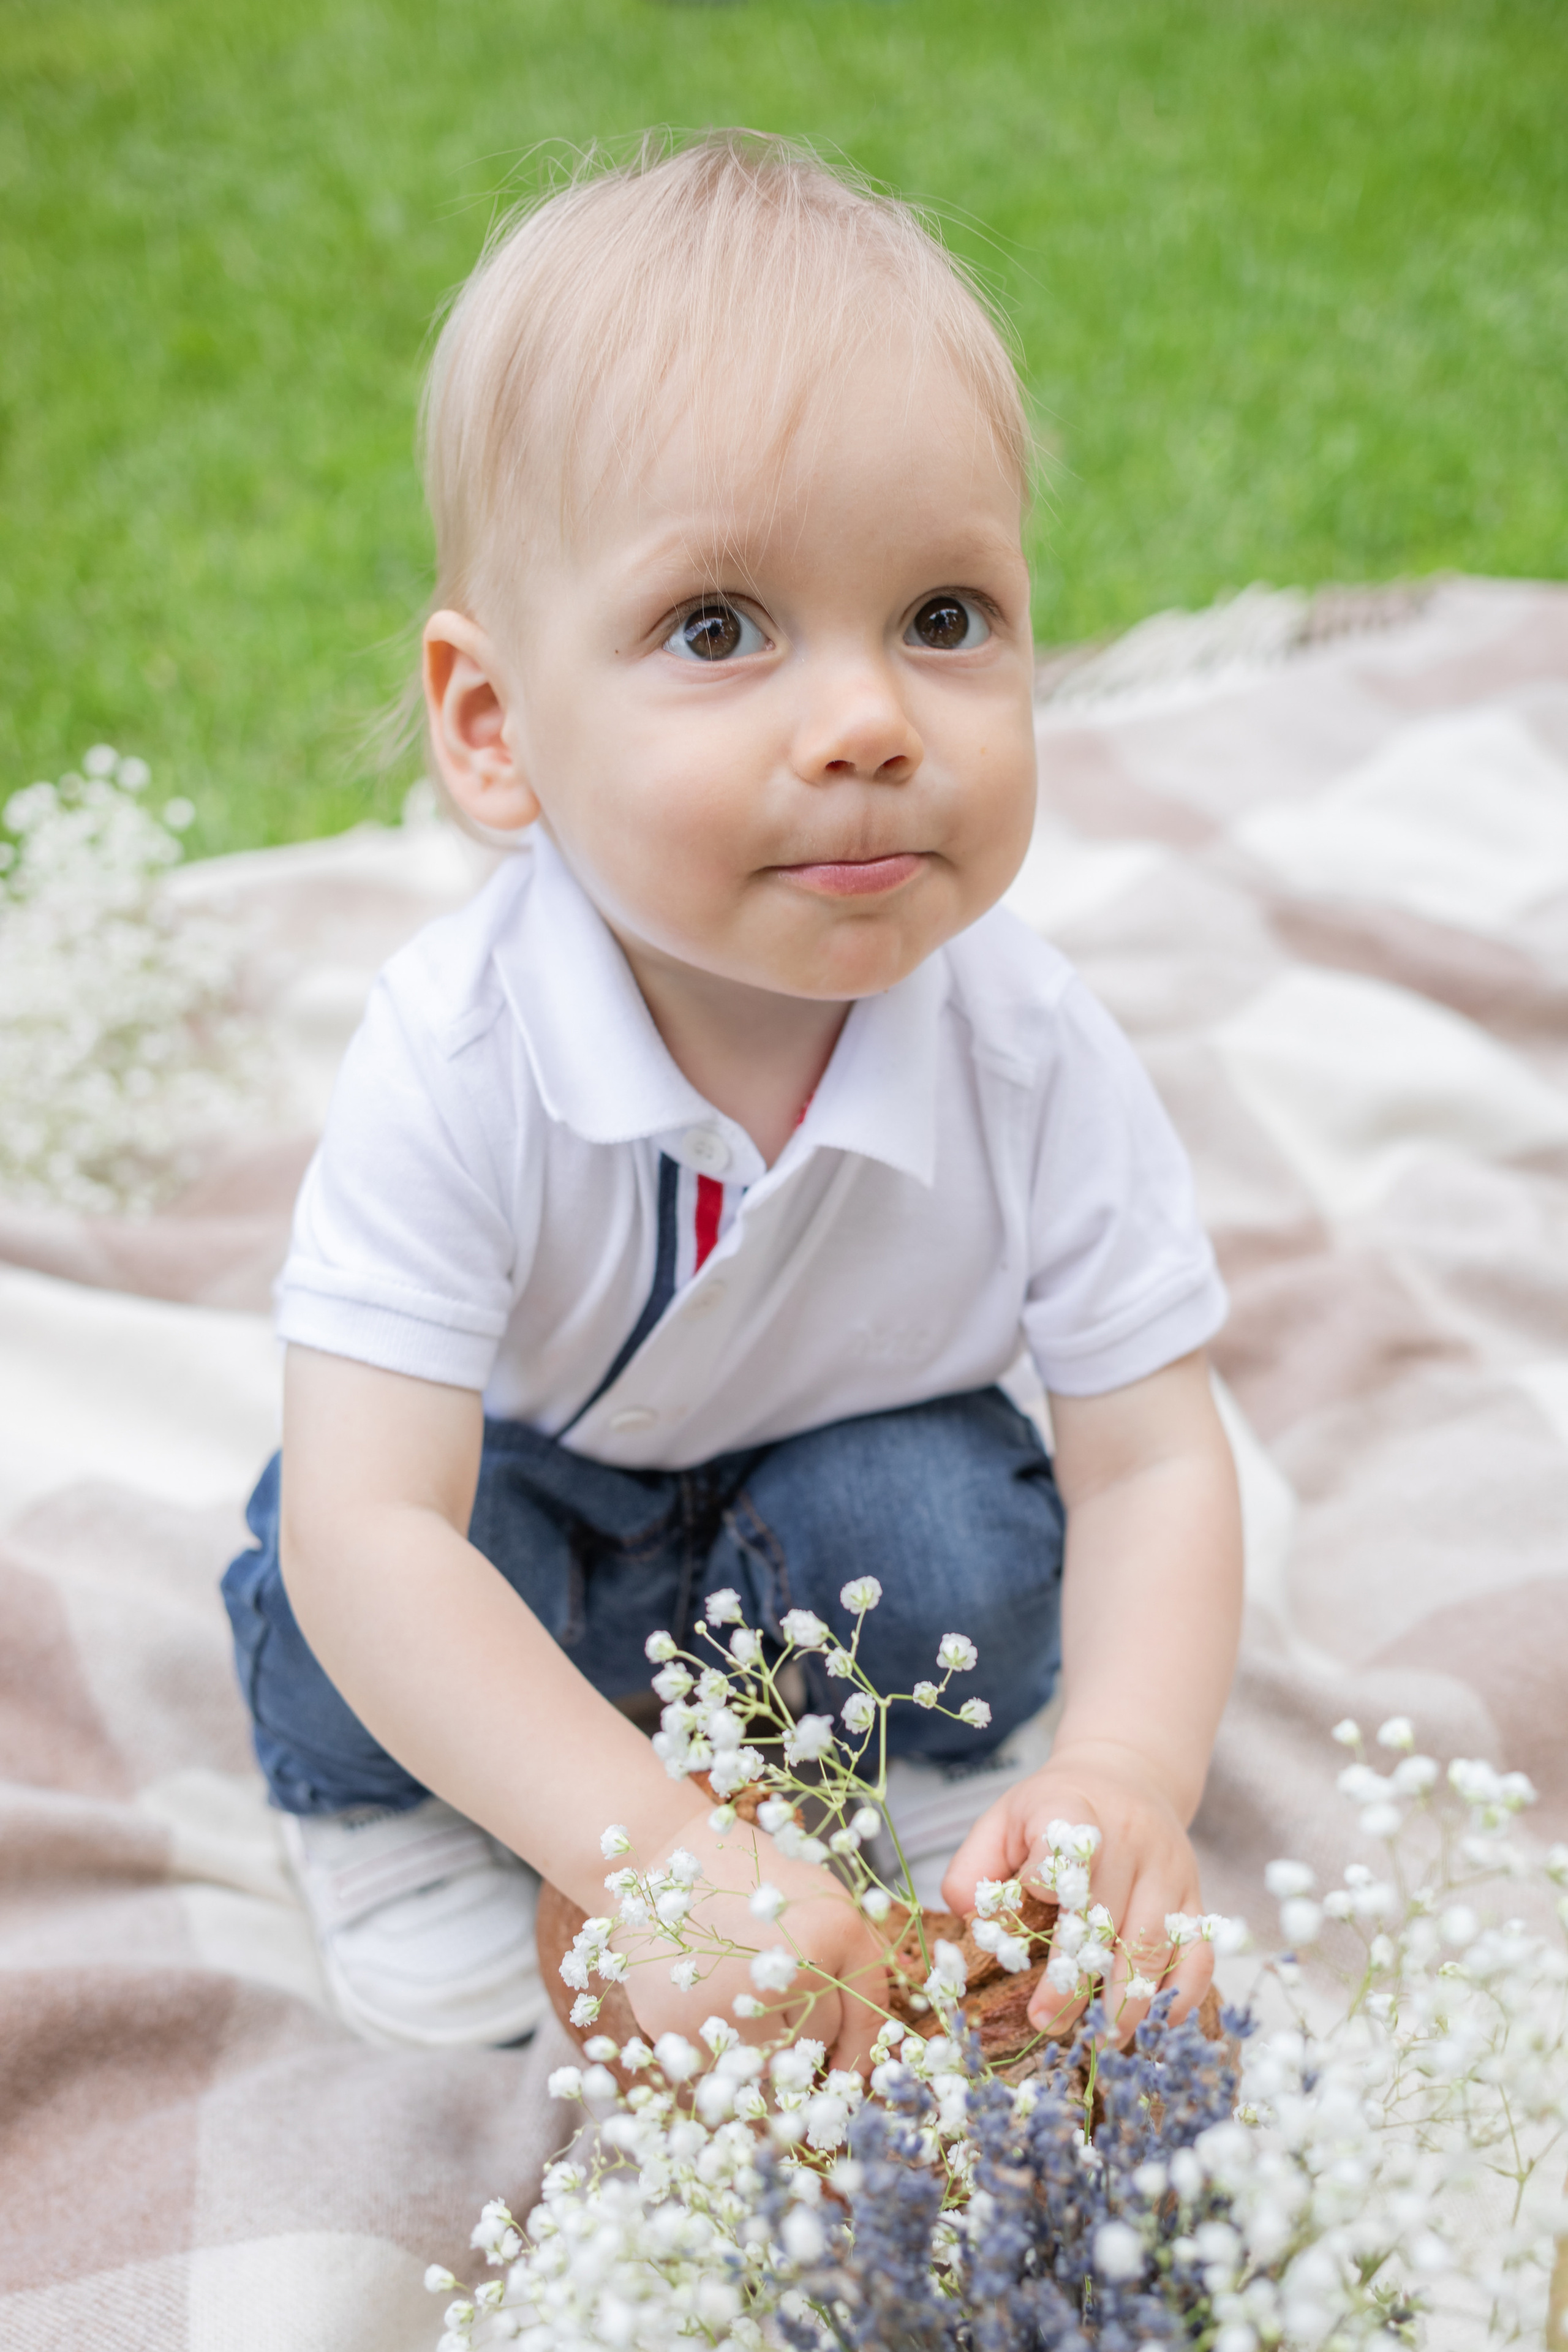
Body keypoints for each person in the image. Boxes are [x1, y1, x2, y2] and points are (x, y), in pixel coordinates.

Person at [222, 132, 1243, 2064]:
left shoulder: (1029, 1046)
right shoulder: (460, 1051)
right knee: (336, 1591)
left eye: (945, 618)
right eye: (719, 628)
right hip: (495, 1530)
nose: (868, 723)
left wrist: (1125, 1773)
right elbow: (379, 1528)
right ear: (494, 727)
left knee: (967, 1540)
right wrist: (655, 1856)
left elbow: (1154, 1463)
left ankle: (875, 1790)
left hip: (818, 1518)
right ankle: (401, 1825)